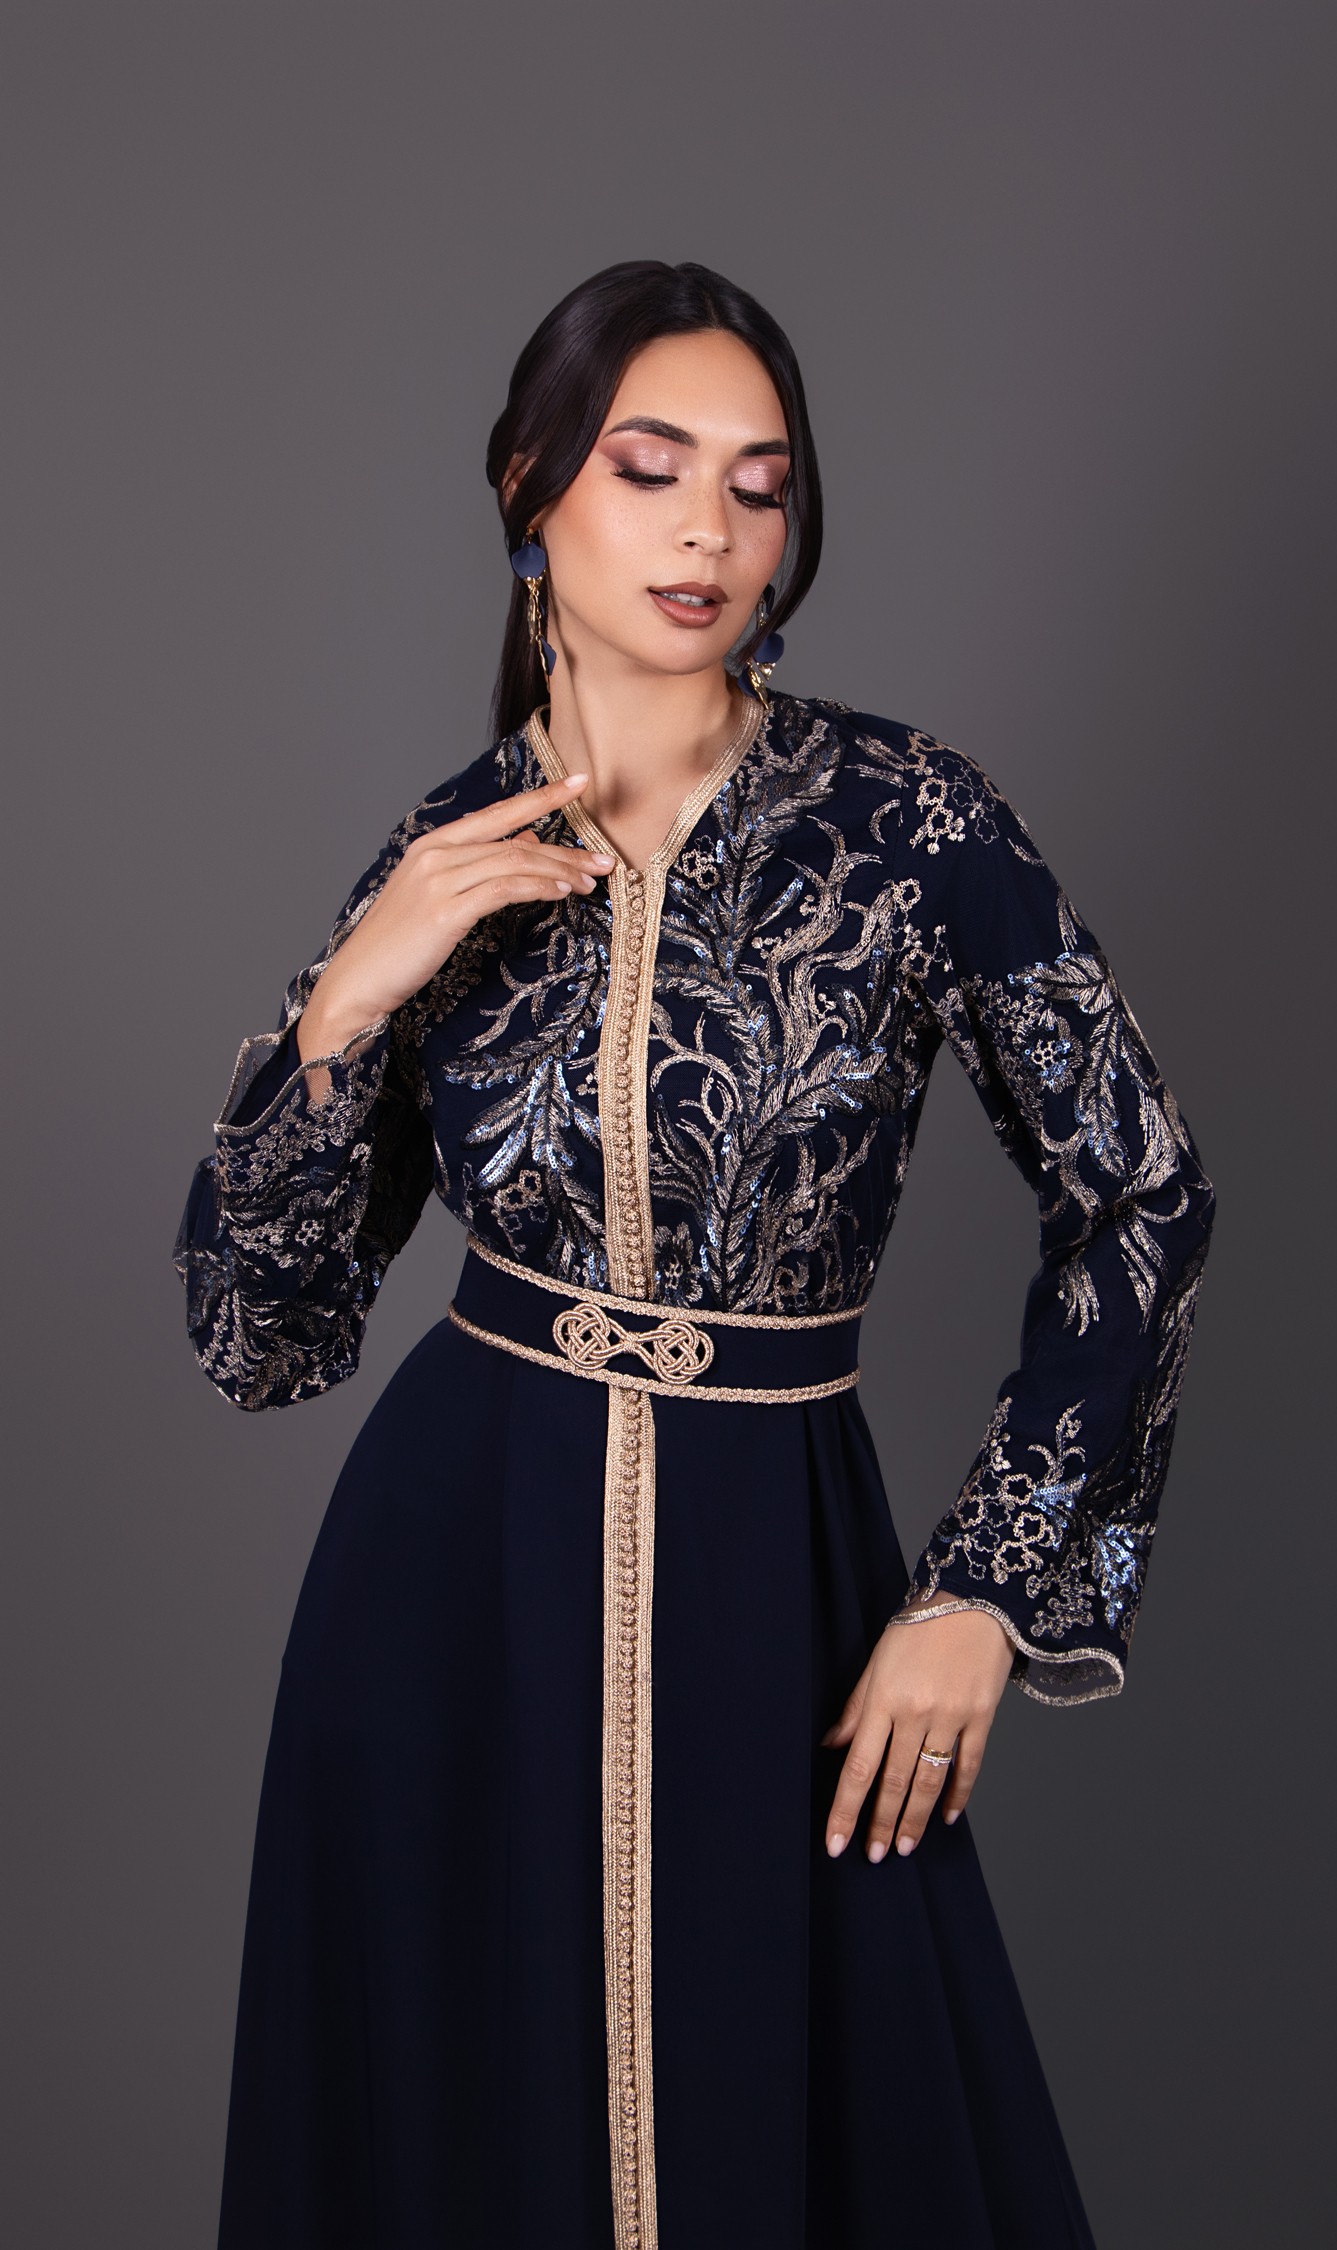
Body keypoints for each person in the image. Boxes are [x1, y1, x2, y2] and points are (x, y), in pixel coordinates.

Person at [175, 258, 1216, 2250]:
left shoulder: (912, 826)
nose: (708, 531)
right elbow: (261, 1334)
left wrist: (989, 1588)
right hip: (449, 1601)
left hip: (780, 1575)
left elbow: (1144, 1193)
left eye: (758, 483)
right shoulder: (450, 853)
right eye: (648, 469)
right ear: (528, 490)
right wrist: (344, 1010)